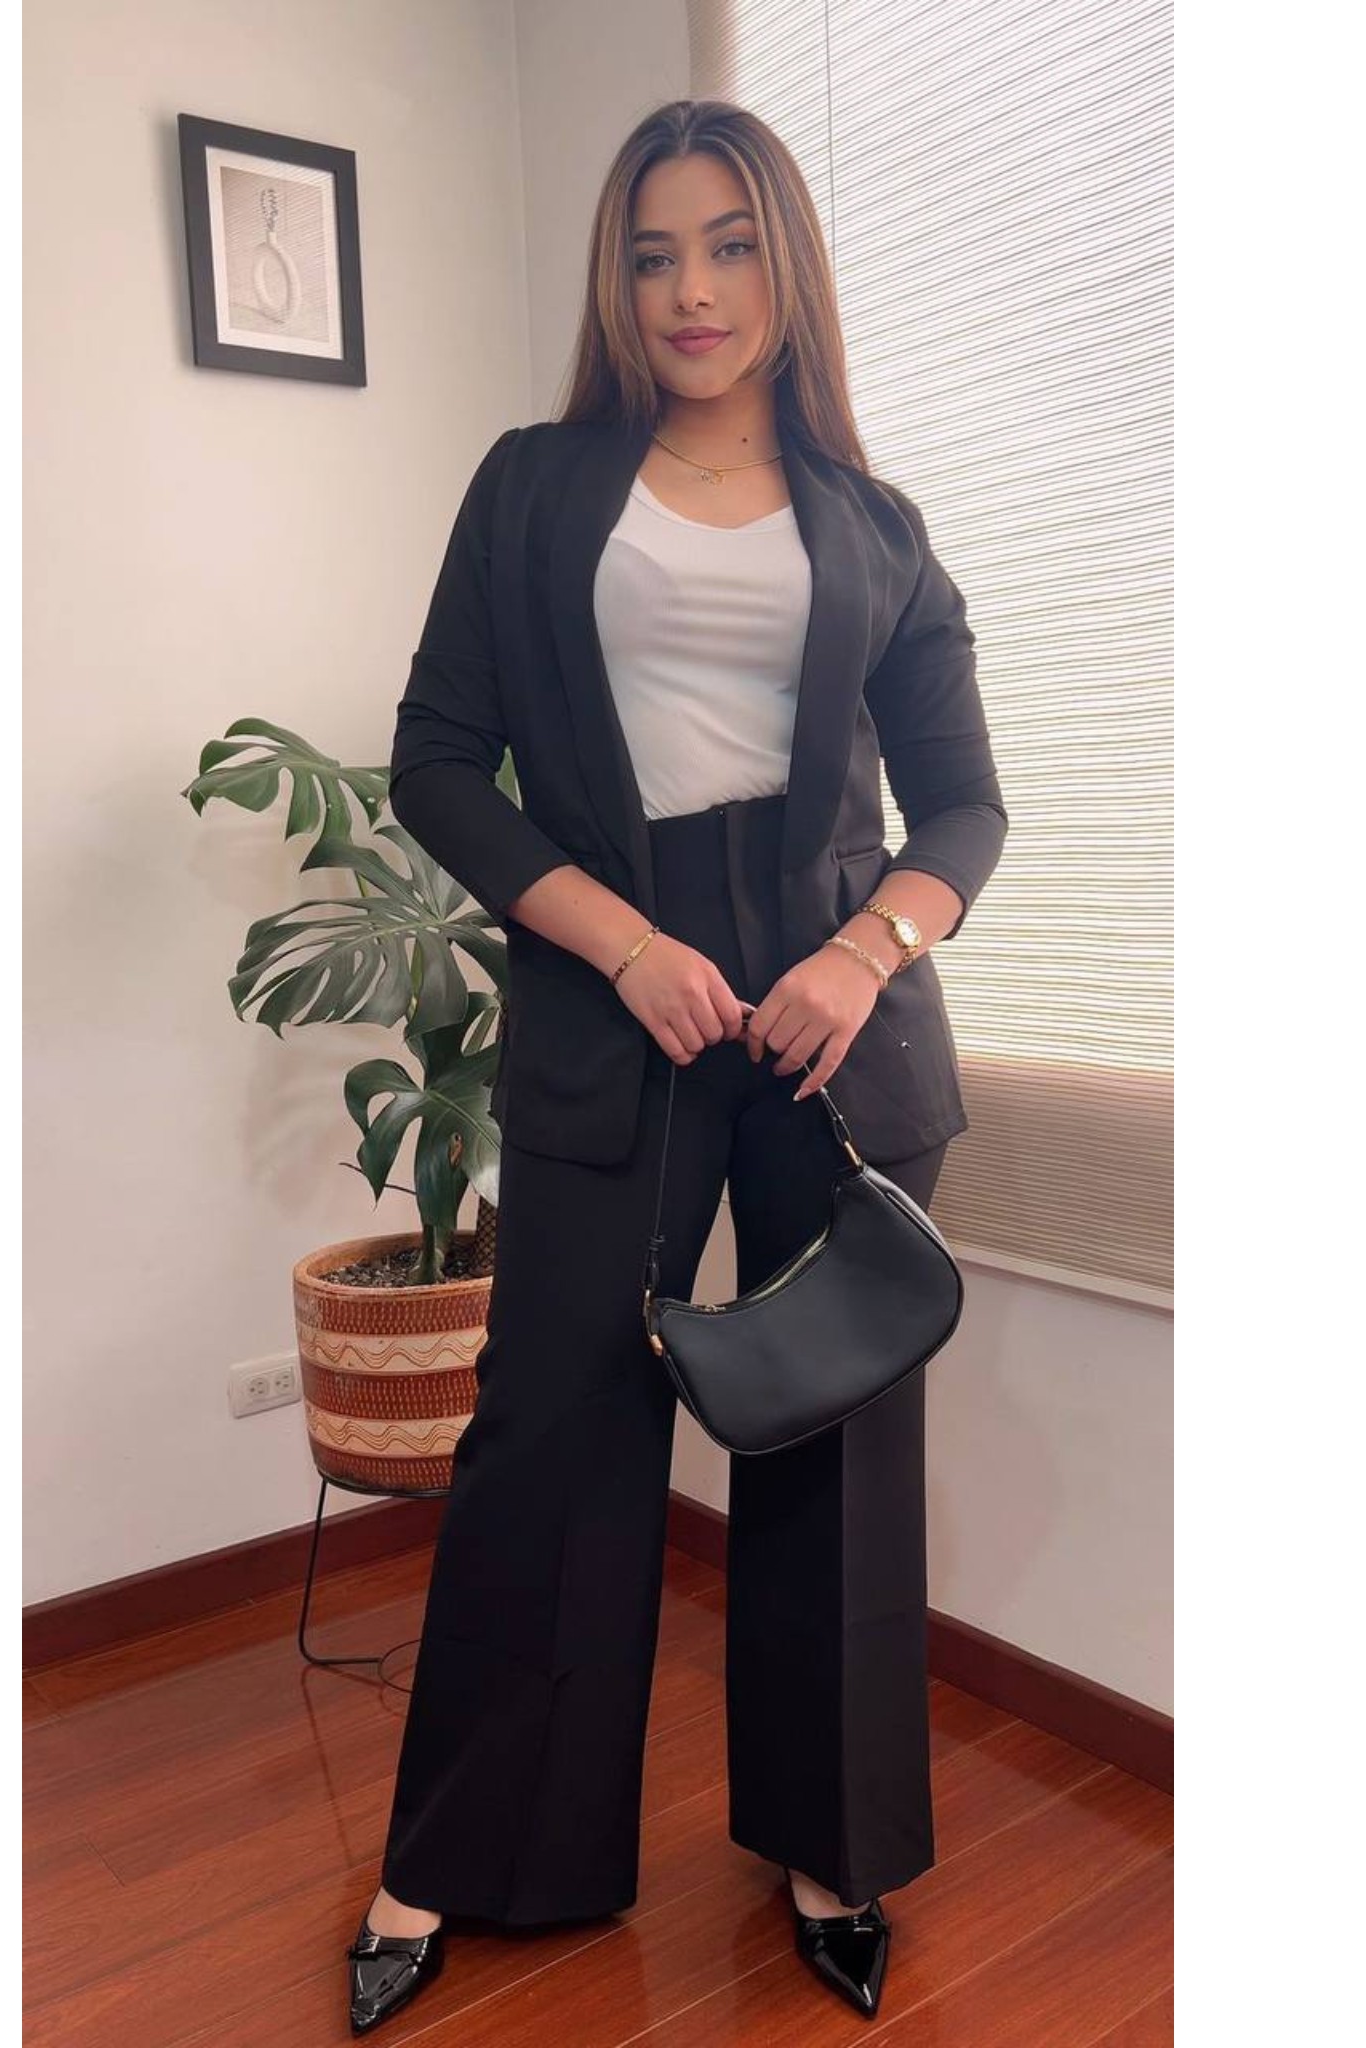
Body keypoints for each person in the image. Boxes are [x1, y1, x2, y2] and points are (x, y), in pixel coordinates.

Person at [345, 97, 1007, 2036]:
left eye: (728, 246)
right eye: (653, 254)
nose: (690, 290)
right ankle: (469, 1851)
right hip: (611, 1000)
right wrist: (625, 944)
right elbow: (438, 760)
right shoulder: (535, 488)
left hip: (831, 1030)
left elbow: (962, 808)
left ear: (784, 265)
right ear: (616, 281)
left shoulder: (877, 527)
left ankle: (832, 1847)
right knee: (549, 1428)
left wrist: (863, 951)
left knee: (830, 1440)